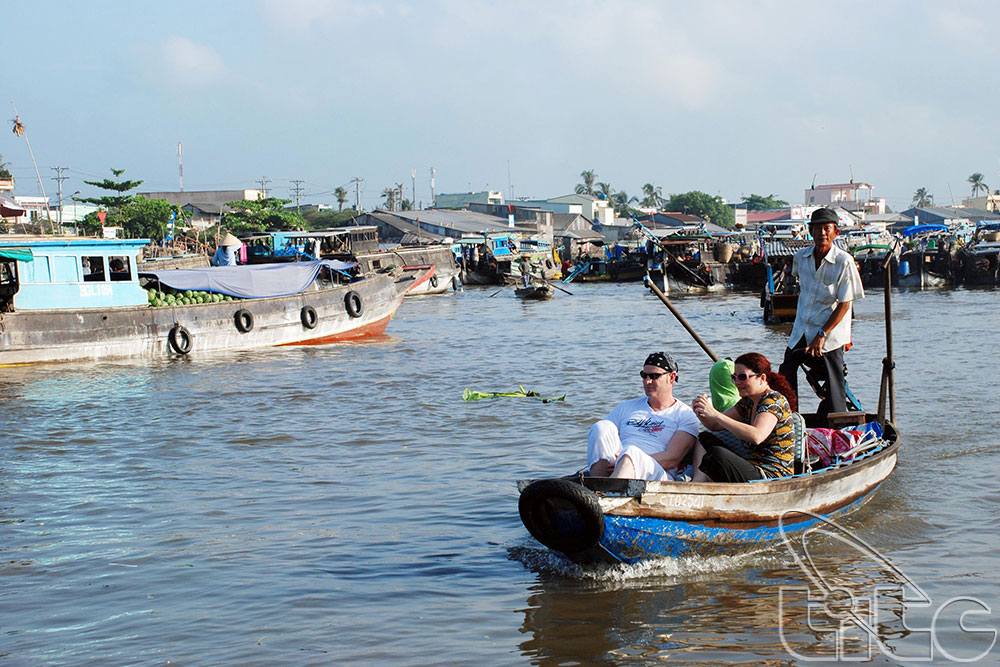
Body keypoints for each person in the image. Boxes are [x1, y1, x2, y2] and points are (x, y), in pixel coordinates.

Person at [779, 207, 864, 415]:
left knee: (834, 383)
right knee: (786, 371)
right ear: (810, 231)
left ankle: (837, 428)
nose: (822, 233)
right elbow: (798, 281)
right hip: (802, 329)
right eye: (817, 228)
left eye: (827, 228)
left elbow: (845, 304)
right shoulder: (801, 257)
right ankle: (788, 419)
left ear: (836, 232)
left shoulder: (844, 261)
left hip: (830, 334)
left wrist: (822, 334)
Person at [587, 352, 700, 481]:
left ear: (672, 377)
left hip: (658, 473)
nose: (647, 381)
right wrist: (622, 461)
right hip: (621, 462)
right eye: (644, 376)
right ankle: (597, 485)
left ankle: (609, 494)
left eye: (654, 376)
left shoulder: (685, 415)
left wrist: (628, 460)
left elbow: (672, 458)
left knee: (631, 452)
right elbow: (602, 442)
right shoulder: (626, 407)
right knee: (601, 427)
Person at [691, 352, 798, 483]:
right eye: (734, 377)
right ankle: (697, 482)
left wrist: (716, 414)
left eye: (742, 377)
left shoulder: (773, 400)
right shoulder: (747, 402)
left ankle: (703, 485)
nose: (737, 382)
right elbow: (715, 425)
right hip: (753, 465)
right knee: (704, 438)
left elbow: (757, 436)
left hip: (773, 474)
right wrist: (701, 411)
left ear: (762, 378)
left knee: (717, 455)